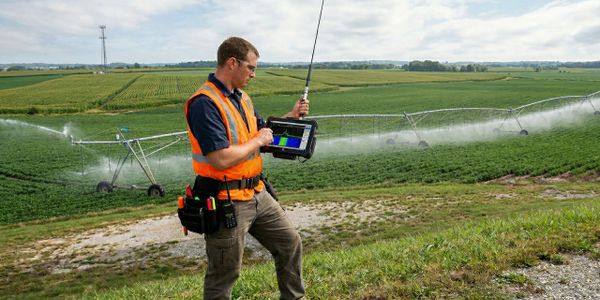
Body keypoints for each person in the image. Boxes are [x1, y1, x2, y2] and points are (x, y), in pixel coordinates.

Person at [183, 36, 308, 300]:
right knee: (225, 273)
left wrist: (291, 116)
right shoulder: (205, 103)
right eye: (250, 68)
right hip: (227, 200)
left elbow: (261, 132)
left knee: (289, 243)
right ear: (232, 63)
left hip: (256, 193)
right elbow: (220, 158)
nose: (253, 74)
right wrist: (259, 140)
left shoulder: (243, 98)